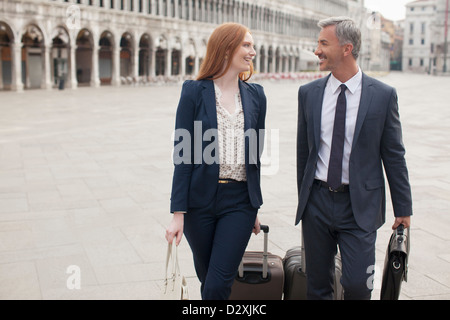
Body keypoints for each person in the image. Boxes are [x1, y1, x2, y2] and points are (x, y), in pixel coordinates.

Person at [296, 16, 413, 300]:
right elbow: (303, 152)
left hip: (359, 206)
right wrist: (305, 200)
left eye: (324, 43)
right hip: (318, 204)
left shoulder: (383, 95)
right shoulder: (309, 93)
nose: (316, 50)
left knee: (360, 286)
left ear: (346, 49)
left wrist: (403, 208)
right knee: (316, 286)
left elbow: (394, 154)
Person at [165, 22, 267, 300]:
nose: (252, 52)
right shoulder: (193, 92)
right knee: (208, 278)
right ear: (225, 48)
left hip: (239, 204)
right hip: (200, 204)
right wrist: (178, 213)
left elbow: (254, 155)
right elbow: (183, 155)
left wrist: (253, 202)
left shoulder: (257, 96)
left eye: (252, 45)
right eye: (246, 45)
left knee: (217, 285)